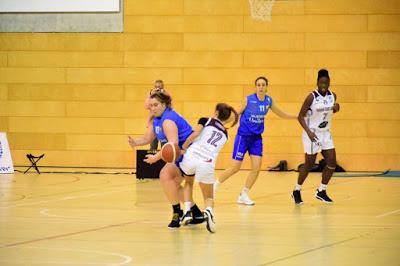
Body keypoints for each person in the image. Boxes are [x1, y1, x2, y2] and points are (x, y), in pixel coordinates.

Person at [214, 76, 296, 205]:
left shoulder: (268, 101)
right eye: (258, 85)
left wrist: (297, 117)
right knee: (235, 168)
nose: (261, 87)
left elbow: (281, 114)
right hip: (243, 137)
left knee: (256, 168)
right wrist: (219, 122)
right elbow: (235, 114)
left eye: (263, 85)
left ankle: (244, 195)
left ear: (267, 87)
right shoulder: (248, 100)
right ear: (255, 87)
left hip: (256, 139)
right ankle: (215, 186)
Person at [128, 91, 204, 228]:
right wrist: (135, 142)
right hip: (180, 154)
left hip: (189, 153)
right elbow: (148, 138)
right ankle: (195, 213)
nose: (152, 108)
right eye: (150, 106)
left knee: (165, 175)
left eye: (156, 105)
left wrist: (155, 158)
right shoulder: (156, 118)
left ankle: (178, 213)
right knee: (171, 183)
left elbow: (172, 146)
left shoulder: (168, 120)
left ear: (164, 104)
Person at [178, 103, 239, 233]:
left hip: (192, 156)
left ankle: (187, 211)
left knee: (188, 183)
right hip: (206, 162)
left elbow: (195, 134)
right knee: (208, 197)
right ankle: (209, 212)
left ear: (216, 113)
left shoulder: (205, 120)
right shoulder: (226, 135)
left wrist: (184, 146)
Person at [291, 69, 340, 204]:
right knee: (309, 163)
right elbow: (300, 116)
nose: (323, 84)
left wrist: (337, 108)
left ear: (329, 82)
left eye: (326, 82)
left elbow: (332, 109)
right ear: (317, 82)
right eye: (321, 82)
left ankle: (321, 191)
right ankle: (296, 190)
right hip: (312, 133)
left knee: (331, 162)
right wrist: (308, 132)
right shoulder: (311, 97)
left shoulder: (333, 95)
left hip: (326, 133)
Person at [144, 80, 167, 150]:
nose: (157, 89)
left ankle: (164, 160)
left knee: (164, 145)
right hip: (153, 124)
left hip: (163, 124)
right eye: (156, 87)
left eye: (159, 87)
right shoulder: (151, 96)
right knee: (153, 145)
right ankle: (152, 160)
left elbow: (168, 106)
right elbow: (146, 106)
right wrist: (151, 94)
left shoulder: (165, 95)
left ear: (162, 88)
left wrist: (163, 95)